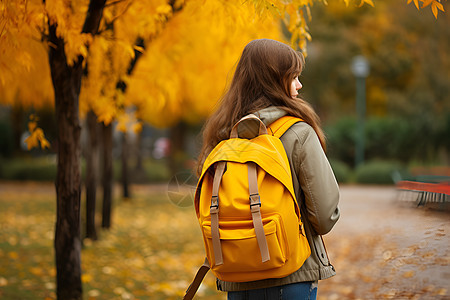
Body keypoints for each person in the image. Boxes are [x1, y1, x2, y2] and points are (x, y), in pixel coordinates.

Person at [196, 39, 340, 300]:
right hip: (291, 275)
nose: (299, 85)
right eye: (293, 77)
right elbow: (325, 215)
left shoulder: (223, 136)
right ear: (275, 80)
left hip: (237, 278)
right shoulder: (298, 133)